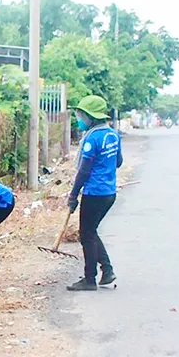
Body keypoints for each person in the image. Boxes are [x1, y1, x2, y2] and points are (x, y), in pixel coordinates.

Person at [67, 95, 123, 291]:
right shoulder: (113, 135)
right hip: (109, 193)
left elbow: (84, 171)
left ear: (91, 117)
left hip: (94, 193)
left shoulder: (92, 138)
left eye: (81, 115)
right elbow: (118, 162)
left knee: (87, 235)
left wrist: (73, 195)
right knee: (90, 232)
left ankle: (90, 279)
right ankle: (107, 271)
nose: (79, 118)